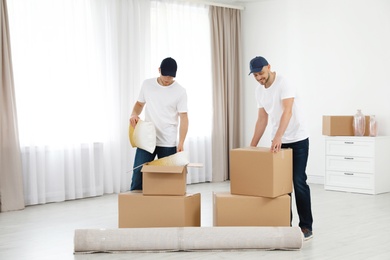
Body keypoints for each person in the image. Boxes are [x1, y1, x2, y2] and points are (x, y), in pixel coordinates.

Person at [248, 56, 313, 240]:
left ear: (268, 67)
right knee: (282, 186)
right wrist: (251, 146)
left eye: (261, 73)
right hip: (279, 142)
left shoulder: (285, 83)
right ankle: (286, 224)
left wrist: (278, 136)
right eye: (255, 76)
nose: (259, 78)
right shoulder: (259, 92)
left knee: (298, 181)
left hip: (298, 138)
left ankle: (306, 227)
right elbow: (262, 119)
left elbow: (288, 111)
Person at [129, 57, 189, 191]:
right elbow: (139, 104)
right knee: (138, 174)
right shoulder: (147, 85)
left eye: (171, 76)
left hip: (168, 141)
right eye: (164, 75)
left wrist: (181, 142)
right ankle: (134, 207)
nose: (167, 79)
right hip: (147, 138)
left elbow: (184, 118)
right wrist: (134, 114)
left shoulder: (180, 91)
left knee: (168, 180)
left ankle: (167, 209)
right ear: (159, 70)